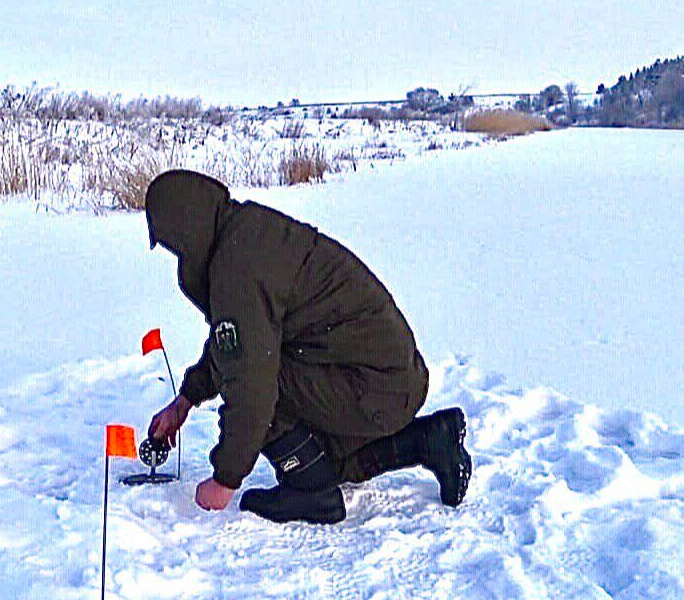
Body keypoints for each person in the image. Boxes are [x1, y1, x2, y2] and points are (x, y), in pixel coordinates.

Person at [145, 169, 471, 524]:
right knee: (319, 457)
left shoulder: (237, 267)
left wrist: (224, 480)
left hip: (375, 384)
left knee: (255, 386)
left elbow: (248, 380)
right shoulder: (245, 237)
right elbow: (240, 339)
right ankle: (430, 439)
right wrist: (187, 399)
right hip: (389, 380)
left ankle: (311, 493)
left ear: (184, 230)